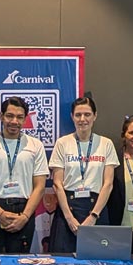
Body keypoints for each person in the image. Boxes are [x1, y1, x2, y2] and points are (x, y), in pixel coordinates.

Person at [0, 96, 49, 253]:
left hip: (23, 211)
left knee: (20, 262)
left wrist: (25, 217)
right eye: (9, 116)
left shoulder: (36, 145)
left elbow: (40, 187)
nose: (14, 121)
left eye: (19, 117)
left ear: (25, 119)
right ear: (1, 116)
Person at [48, 94, 119, 254]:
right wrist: (69, 218)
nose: (82, 119)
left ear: (95, 116)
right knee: (63, 261)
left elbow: (108, 184)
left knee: (98, 260)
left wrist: (93, 216)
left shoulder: (106, 144)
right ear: (72, 116)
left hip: (96, 208)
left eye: (87, 114)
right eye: (78, 115)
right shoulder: (62, 143)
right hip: (68, 208)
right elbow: (57, 184)